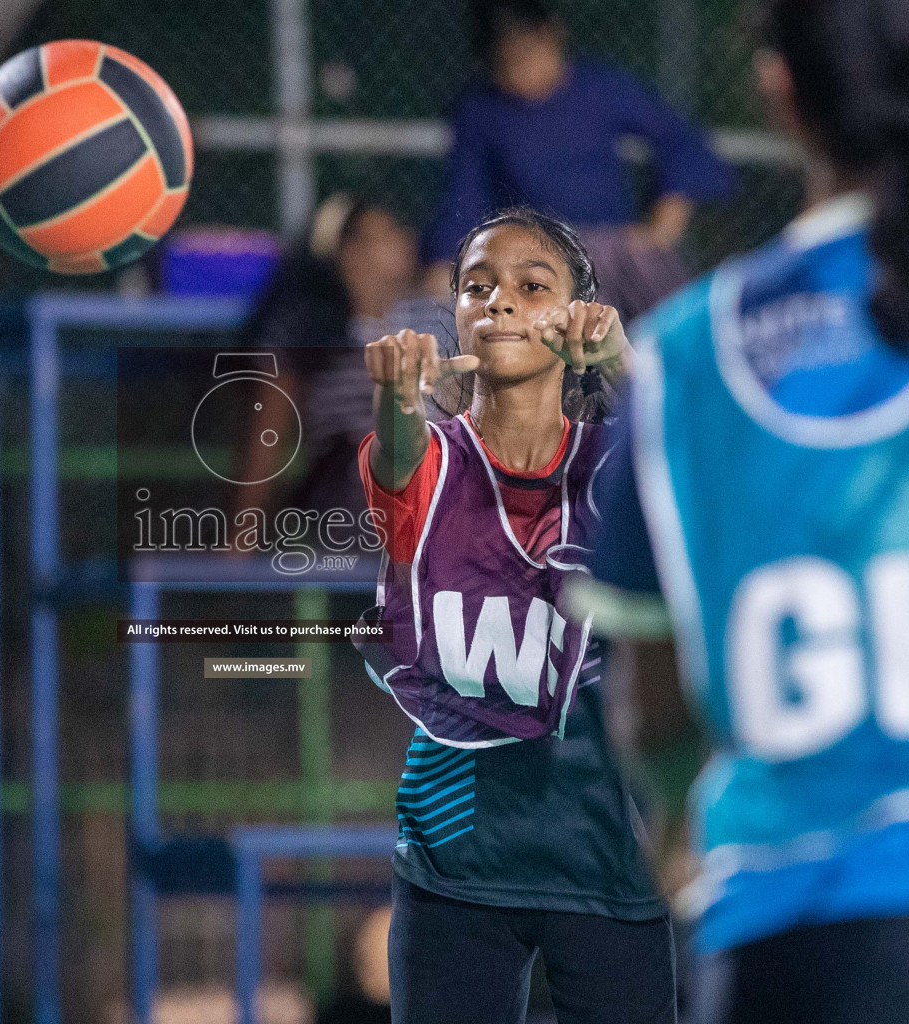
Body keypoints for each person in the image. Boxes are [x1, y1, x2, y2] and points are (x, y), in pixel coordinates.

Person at [577, 0, 909, 1020]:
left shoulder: (687, 360)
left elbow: (653, 706)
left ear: (782, 91)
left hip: (793, 933)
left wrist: (677, 834)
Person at [354, 207, 674, 1023]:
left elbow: (693, 468)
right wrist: (395, 397)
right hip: (455, 861)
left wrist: (627, 364)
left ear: (576, 316)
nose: (499, 303)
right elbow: (396, 455)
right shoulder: (429, 460)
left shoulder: (618, 467)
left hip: (606, 855)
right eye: (477, 286)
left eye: (533, 287)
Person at [422, 0, 733, 320]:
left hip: (614, 252)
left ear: (553, 35)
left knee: (668, 297)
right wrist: (445, 260)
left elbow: (681, 139)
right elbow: (463, 196)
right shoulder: (481, 112)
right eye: (507, 63)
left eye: (529, 54)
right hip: (532, 259)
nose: (523, 73)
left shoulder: (599, 89)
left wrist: (665, 221)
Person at [238, 193, 418, 529]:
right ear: (350, 252)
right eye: (386, 232)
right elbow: (267, 440)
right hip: (354, 516)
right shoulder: (315, 345)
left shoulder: (429, 327)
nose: (405, 240)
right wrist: (242, 535)